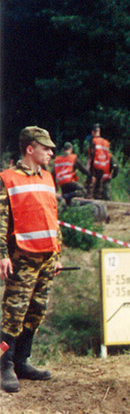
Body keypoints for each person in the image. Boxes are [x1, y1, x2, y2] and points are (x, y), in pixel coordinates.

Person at [0, 126, 61, 393]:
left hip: (47, 257)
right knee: (14, 312)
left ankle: (22, 361)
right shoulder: (8, 178)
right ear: (29, 149)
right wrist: (2, 255)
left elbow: (52, 218)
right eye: (45, 147)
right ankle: (4, 365)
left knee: (36, 311)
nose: (50, 152)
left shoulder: (48, 177)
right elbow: (1, 221)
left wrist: (58, 253)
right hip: (22, 257)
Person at [87, 124, 111, 200]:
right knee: (98, 184)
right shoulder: (106, 142)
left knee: (90, 184)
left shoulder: (93, 141)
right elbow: (107, 156)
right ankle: (97, 199)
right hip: (103, 166)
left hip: (95, 165)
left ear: (93, 132)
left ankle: (90, 199)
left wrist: (89, 168)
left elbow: (92, 155)